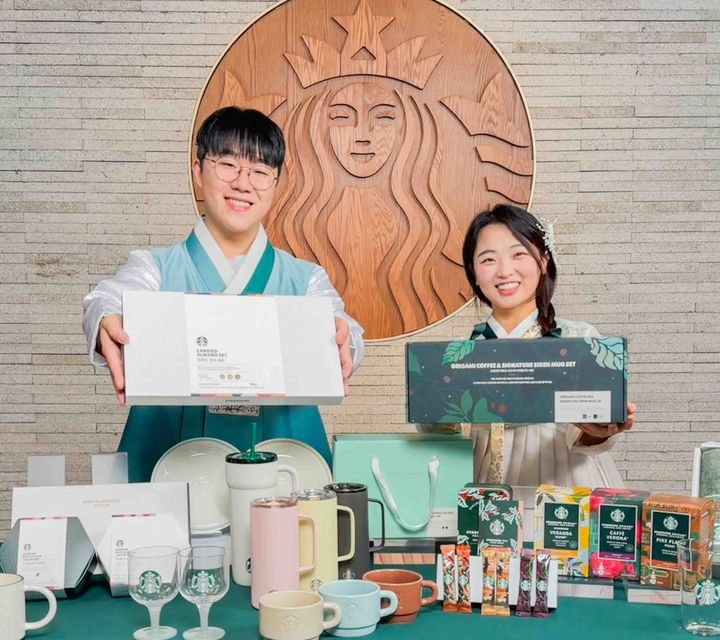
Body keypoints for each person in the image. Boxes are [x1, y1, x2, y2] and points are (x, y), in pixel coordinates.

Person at [83, 106, 364, 482]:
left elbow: (345, 328)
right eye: (228, 165)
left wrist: (341, 337)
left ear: (276, 184)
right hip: (169, 467)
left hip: (284, 469)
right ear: (198, 171)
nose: (243, 184)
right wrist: (105, 319)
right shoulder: (154, 268)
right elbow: (107, 299)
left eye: (260, 171)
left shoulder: (305, 279)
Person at [423, 204, 636, 490]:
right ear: (473, 271)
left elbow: (587, 433)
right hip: (482, 486)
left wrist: (599, 431)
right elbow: (440, 437)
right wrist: (436, 412)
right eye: (488, 259)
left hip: (563, 486)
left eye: (518, 254)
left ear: (543, 261)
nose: (504, 271)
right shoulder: (457, 355)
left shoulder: (581, 340)